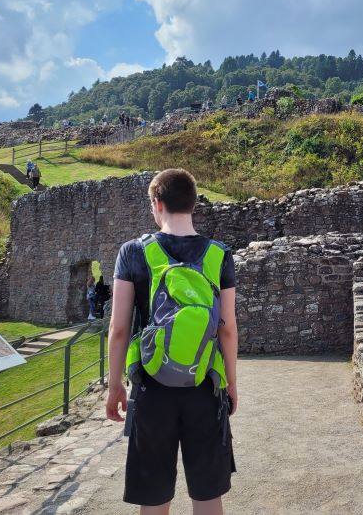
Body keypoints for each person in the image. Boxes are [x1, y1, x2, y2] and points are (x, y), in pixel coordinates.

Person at [106, 168, 238, 514]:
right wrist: (230, 384)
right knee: (208, 495)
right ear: (193, 204)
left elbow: (118, 328)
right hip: (205, 383)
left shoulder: (133, 252)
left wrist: (114, 385)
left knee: (153, 495)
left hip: (151, 387)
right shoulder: (219, 254)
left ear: (157, 203)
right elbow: (227, 328)